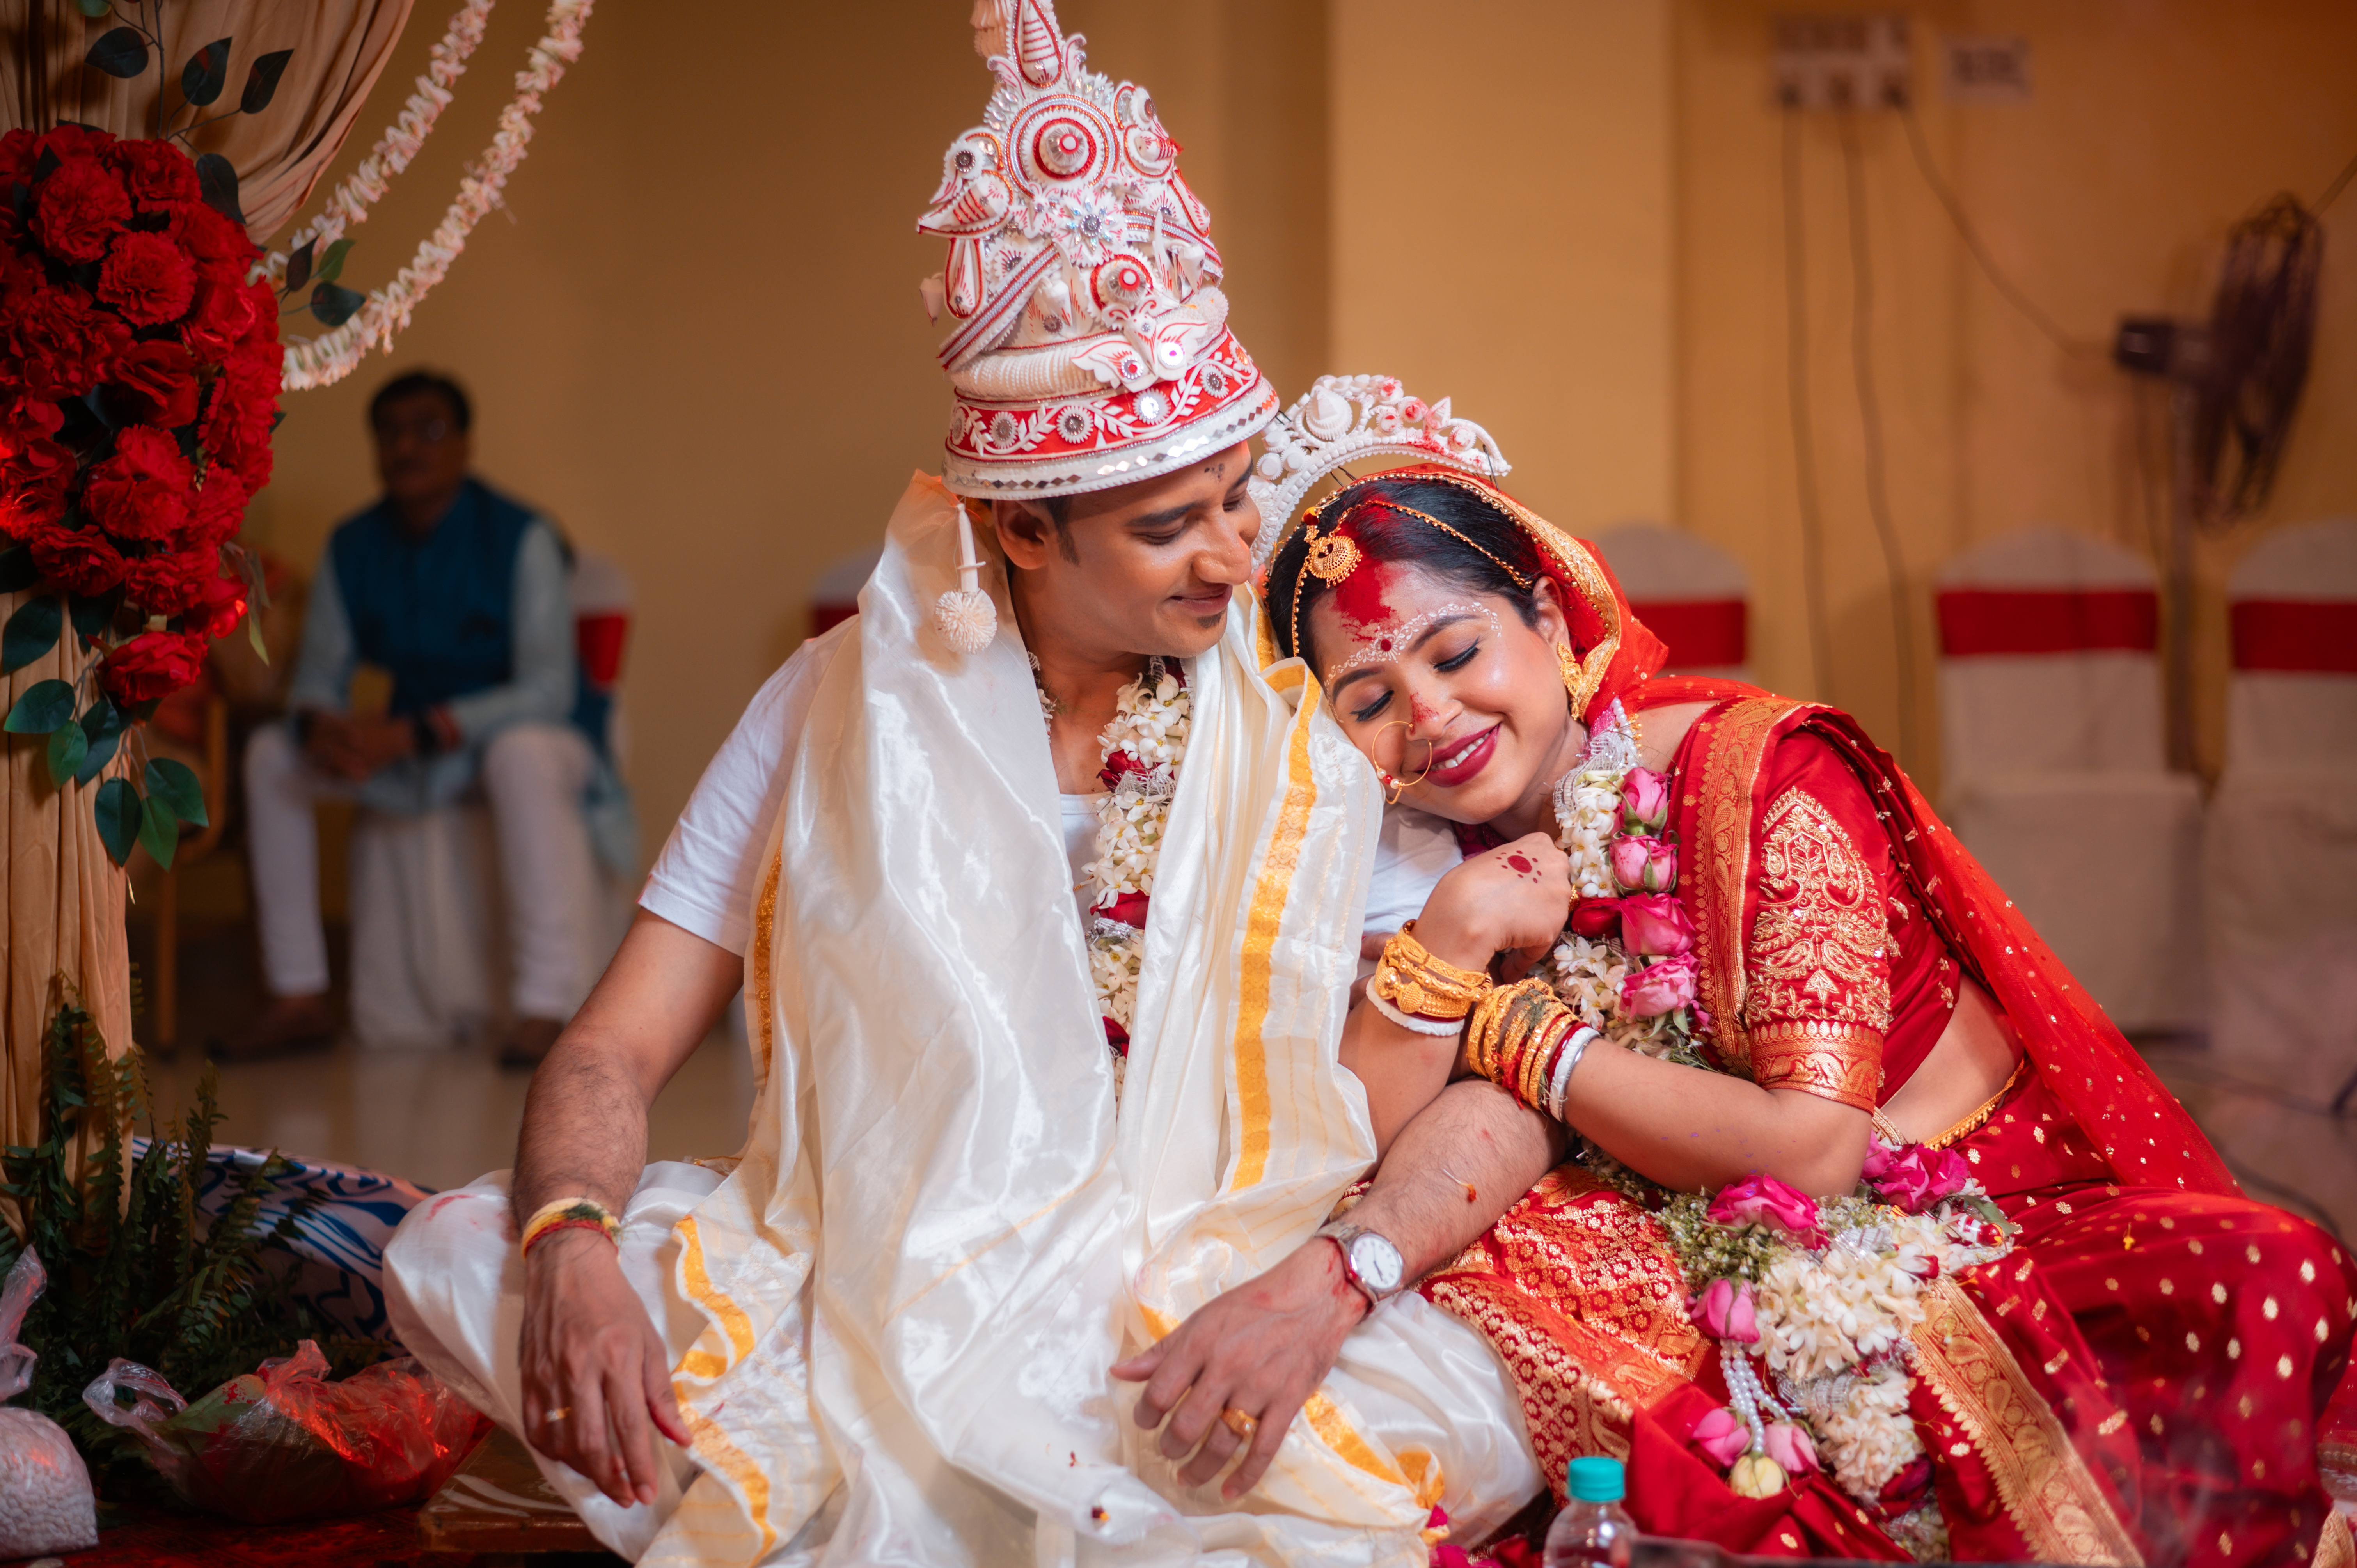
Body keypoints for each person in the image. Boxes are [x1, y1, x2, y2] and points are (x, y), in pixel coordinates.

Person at [386, 9, 1563, 1564]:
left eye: (1233, 504)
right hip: (873, 1272)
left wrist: (1321, 1283)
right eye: (1167, 530)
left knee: (1458, 1409)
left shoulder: (1302, 705)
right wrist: (576, 1246)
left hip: (1201, 1284)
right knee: (464, 1252)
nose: (1230, 558)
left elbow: (1457, 1080)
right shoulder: (834, 708)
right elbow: (610, 1050)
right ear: (1019, 530)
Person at [1240, 447, 2357, 1566]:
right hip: (1696, 1236)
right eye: (1371, 699)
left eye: (1456, 650)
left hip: (1963, 1219)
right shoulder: (1446, 859)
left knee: (2265, 1267)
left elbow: (1815, 1146)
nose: (1429, 715)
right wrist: (1445, 948)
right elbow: (1368, 1140)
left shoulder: (1764, 774)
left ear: (1546, 611)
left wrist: (1506, 1029)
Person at [232, 370, 605, 1068]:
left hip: (528, 746)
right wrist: (326, 729)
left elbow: (549, 689)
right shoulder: (354, 545)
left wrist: (420, 729)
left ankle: (546, 1005)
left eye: (428, 430)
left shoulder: (521, 536)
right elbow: (318, 677)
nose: (407, 447)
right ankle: (297, 995)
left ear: (464, 444)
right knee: (269, 755)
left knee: (520, 751)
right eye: (391, 432)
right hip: (413, 754)